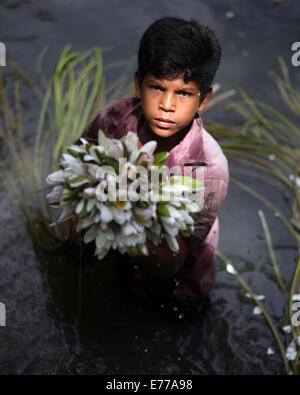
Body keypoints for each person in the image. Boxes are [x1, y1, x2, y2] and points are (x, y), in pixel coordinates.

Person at [70, 17, 229, 305]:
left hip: (178, 287)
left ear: (203, 99)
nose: (167, 106)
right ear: (138, 83)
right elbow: (76, 166)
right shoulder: (113, 119)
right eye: (156, 87)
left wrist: (120, 220)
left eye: (183, 93)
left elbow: (175, 260)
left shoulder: (208, 172)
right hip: (120, 249)